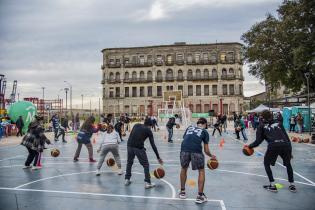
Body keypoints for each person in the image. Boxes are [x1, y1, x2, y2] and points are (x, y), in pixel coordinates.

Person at [246, 110, 296, 193]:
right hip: (285, 145)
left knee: (266, 164)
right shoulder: (279, 123)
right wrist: (290, 152)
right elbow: (287, 138)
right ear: (271, 115)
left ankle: (272, 185)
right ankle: (292, 185)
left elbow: (258, 141)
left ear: (261, 117)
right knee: (288, 164)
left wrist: (249, 146)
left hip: (273, 145)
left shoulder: (261, 126)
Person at [179, 118, 215, 204]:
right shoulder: (205, 131)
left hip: (184, 149)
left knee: (184, 168)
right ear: (205, 124)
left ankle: (182, 192)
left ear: (197, 123)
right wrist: (212, 156)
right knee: (201, 171)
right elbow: (206, 150)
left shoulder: (189, 127)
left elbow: (186, 138)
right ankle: (200, 196)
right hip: (196, 151)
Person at [125, 118, 163, 189]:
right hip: (138, 148)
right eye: (151, 126)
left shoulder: (136, 125)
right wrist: (158, 157)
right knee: (146, 165)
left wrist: (142, 146)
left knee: (129, 163)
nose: (151, 128)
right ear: (150, 125)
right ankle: (147, 182)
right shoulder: (148, 130)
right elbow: (153, 145)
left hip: (129, 146)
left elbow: (134, 136)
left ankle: (127, 179)